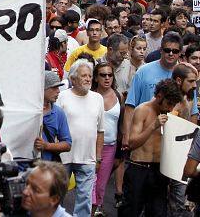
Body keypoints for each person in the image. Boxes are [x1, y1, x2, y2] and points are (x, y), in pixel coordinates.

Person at [119, 79, 183, 217]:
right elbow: (132, 143)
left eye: (173, 105)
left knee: (157, 212)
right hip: (139, 167)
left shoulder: (171, 113)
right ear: (159, 96)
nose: (170, 108)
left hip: (159, 170)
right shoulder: (143, 110)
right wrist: (153, 126)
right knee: (131, 210)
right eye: (168, 104)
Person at [55, 60, 104, 217]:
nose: (88, 79)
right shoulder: (62, 97)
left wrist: (98, 157)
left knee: (84, 199)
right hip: (63, 157)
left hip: (88, 157)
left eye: (90, 75)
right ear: (73, 79)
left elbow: (100, 130)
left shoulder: (98, 98)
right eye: (84, 75)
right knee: (58, 196)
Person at [89, 61, 121, 216]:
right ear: (96, 78)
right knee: (89, 184)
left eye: (110, 75)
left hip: (110, 147)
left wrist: (121, 152)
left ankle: (94, 211)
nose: (107, 78)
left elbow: (122, 124)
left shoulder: (118, 96)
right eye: (103, 75)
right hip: (90, 146)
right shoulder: (90, 96)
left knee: (101, 185)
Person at [37, 72, 72, 163]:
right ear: (43, 88)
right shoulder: (27, 110)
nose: (58, 91)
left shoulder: (58, 113)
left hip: (47, 167)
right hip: (23, 167)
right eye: (54, 87)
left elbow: (67, 144)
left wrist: (47, 146)